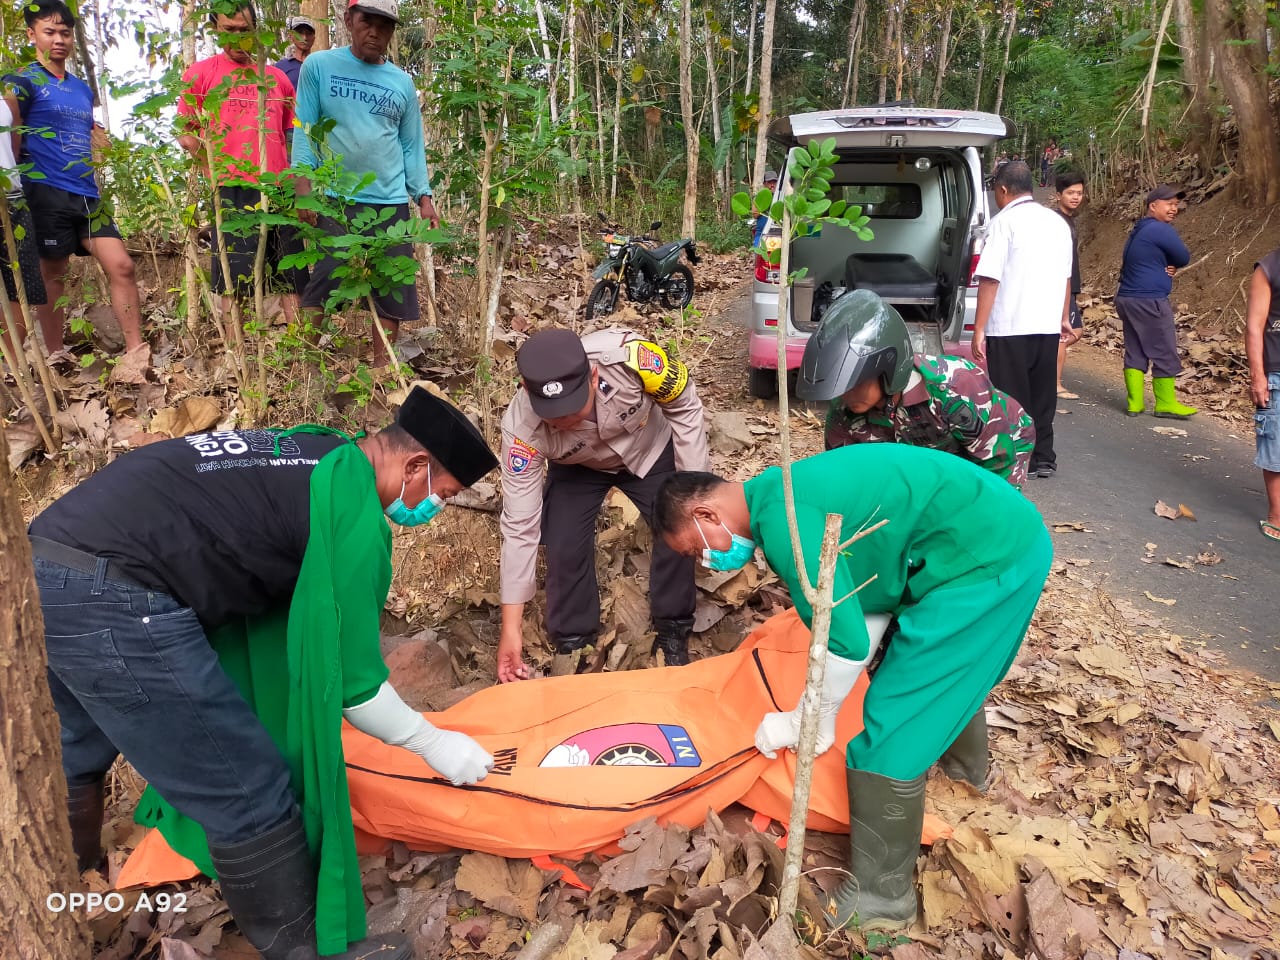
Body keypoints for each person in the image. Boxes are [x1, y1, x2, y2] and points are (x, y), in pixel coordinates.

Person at [29, 386, 499, 960]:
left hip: (45, 564)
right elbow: (354, 686)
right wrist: (434, 743)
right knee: (246, 786)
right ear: (416, 466)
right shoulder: (350, 509)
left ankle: (65, 884)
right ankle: (307, 951)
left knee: (78, 744)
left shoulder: (312, 450)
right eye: (442, 494)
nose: (433, 510)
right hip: (119, 595)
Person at [652, 444, 1053, 931]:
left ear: (706, 513)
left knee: (889, 727)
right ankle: (965, 775)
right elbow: (866, 610)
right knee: (934, 677)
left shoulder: (784, 525)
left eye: (697, 548)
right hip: (991, 537)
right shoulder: (780, 495)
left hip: (984, 559)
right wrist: (818, 715)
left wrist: (802, 720)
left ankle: (882, 899)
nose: (708, 562)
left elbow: (842, 643)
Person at [496, 327, 710, 681]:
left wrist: (696, 495)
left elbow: (685, 407)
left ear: (593, 376)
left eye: (573, 407)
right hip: (578, 467)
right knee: (563, 541)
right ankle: (573, 639)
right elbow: (520, 526)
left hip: (649, 449)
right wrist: (511, 627)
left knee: (677, 523)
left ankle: (673, 626)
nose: (564, 420)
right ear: (525, 390)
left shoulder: (635, 360)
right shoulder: (520, 430)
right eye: (554, 415)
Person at [292, 0, 440, 367]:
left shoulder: (401, 82)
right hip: (337, 198)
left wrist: (423, 195)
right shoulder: (320, 66)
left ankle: (382, 369)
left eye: (384, 26)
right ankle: (306, 367)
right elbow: (305, 130)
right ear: (348, 20)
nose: (375, 32)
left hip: (390, 200)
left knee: (390, 283)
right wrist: (303, 190)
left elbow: (410, 144)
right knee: (327, 277)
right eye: (367, 22)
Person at [3, 0, 143, 357]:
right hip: (45, 189)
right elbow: (11, 132)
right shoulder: (20, 81)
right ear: (32, 34)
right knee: (55, 273)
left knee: (122, 266)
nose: (59, 39)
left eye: (65, 32)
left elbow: (82, 127)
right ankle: (54, 354)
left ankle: (136, 351)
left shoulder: (81, 88)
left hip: (87, 193)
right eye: (50, 32)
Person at [797, 289, 1035, 487]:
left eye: (856, 383)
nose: (846, 395)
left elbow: (998, 463)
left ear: (887, 370)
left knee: (983, 524)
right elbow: (847, 477)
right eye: (842, 386)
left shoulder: (952, 387)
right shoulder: (842, 413)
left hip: (999, 446)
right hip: (923, 461)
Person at [177, 3, 307, 328]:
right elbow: (187, 135)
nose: (237, 37)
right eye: (228, 30)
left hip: (277, 188)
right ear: (216, 29)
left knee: (292, 274)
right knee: (232, 277)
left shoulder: (277, 78)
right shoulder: (200, 74)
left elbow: (294, 135)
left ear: (256, 30)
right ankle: (239, 359)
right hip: (232, 187)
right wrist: (213, 172)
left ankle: (299, 349)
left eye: (244, 30)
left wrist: (299, 185)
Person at [971, 160, 1073, 480]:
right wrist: (1063, 317)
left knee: (1011, 397)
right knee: (1043, 395)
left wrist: (979, 329)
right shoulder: (1057, 222)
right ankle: (1044, 457)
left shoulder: (1004, 223)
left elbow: (989, 278)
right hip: (1046, 324)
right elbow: (1066, 277)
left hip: (1009, 325)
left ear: (1002, 190)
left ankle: (1017, 456)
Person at [1115, 185, 1196, 418]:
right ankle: (1165, 403)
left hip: (1127, 297)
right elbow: (1183, 256)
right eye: (1169, 204)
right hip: (1148, 299)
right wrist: (1171, 264)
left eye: (1176, 205)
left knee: (1136, 347)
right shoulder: (1161, 230)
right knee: (1164, 348)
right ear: (1153, 206)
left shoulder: (1139, 229)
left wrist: (1164, 264)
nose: (1174, 209)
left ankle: (1135, 403)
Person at [0, 87, 47, 359]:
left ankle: (12, 367)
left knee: (19, 285)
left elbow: (14, 148)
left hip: (11, 196)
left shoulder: (8, 96)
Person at [1245, 247, 1280, 542]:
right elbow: (1254, 327)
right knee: (1275, 445)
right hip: (1277, 372)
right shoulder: (1269, 267)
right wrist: (1258, 376)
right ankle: (1277, 515)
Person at [1054, 170, 1086, 398]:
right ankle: (1055, 384)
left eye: (1079, 193)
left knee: (1075, 331)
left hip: (1070, 286)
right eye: (1070, 193)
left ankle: (1045, 370)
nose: (1076, 197)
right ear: (1058, 195)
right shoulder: (1057, 221)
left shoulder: (1069, 220)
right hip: (1059, 287)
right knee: (1063, 336)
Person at [274, 14, 316, 89]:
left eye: (309, 33)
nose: (304, 38)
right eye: (300, 33)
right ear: (291, 36)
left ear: (314, 38)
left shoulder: (318, 66)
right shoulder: (281, 67)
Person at [752, 169, 779, 247]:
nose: (772, 185)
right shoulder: (759, 197)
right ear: (764, 184)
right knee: (758, 251)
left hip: (777, 232)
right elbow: (755, 214)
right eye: (769, 182)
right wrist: (766, 200)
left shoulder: (780, 197)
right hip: (761, 233)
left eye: (774, 182)